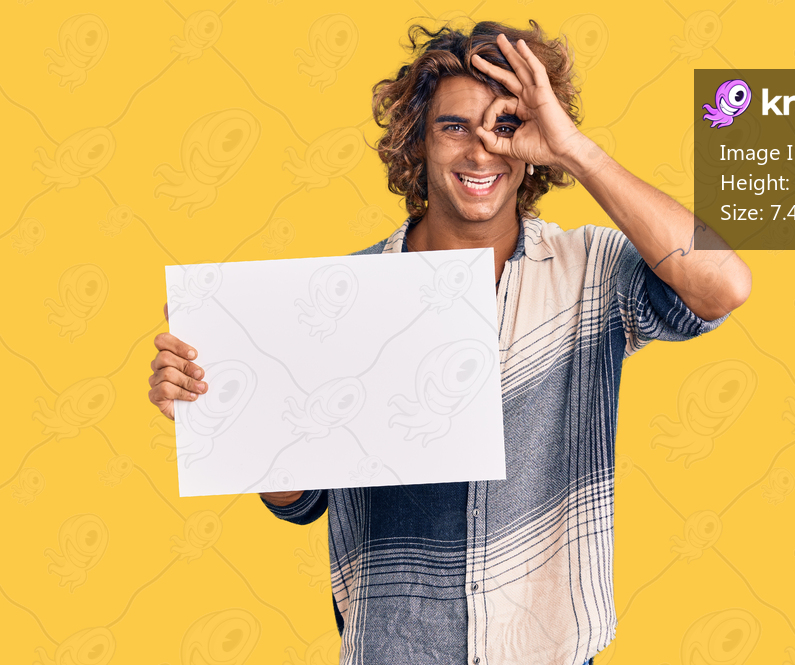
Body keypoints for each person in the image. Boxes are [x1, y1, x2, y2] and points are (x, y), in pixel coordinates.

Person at [148, 19, 751, 665]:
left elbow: (724, 285)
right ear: (418, 140)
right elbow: (300, 500)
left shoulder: (591, 271)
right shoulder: (341, 298)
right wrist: (224, 407)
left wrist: (576, 148)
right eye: (453, 126)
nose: (481, 151)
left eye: (508, 123)